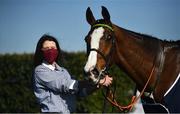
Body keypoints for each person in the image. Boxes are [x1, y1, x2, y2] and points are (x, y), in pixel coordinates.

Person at [33, 34, 113, 113]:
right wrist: (97, 81)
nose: (50, 50)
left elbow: (78, 93)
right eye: (47, 48)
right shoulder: (40, 71)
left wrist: (95, 86)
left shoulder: (63, 71)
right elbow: (65, 85)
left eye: (53, 48)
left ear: (57, 50)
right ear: (41, 51)